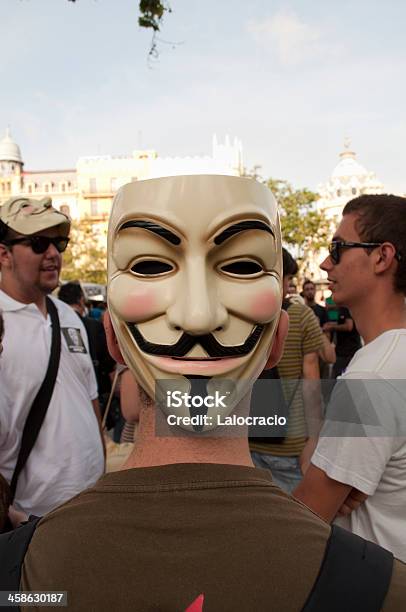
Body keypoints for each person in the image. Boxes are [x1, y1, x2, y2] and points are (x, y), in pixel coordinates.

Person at [9, 179, 405, 610]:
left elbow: (325, 487)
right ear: (277, 343)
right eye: (149, 266)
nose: (197, 316)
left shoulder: (20, 574)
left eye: (241, 267)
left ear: (113, 341)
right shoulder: (381, 586)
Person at [294, 194, 406, 562]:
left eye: (338, 248)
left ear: (382, 257)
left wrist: (326, 478)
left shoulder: (373, 375)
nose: (326, 264)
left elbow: (305, 518)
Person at [0, 197, 104, 517]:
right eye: (38, 242)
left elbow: (89, 398)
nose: (53, 254)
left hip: (92, 503)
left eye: (59, 243)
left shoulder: (67, 316)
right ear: (4, 254)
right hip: (30, 518)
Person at [250, 249, 324, 493]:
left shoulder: (236, 319)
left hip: (242, 442)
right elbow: (311, 385)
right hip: (289, 445)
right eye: (288, 279)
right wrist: (314, 438)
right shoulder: (302, 317)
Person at [58, 282, 116, 414]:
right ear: (81, 299)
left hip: (64, 399)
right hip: (95, 394)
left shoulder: (50, 327)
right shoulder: (93, 326)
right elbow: (108, 362)